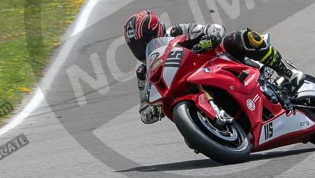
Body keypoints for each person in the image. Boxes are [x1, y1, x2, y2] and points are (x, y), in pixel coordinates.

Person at [123, 10, 305, 124]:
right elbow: (145, 109)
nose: (142, 48)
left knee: (240, 37)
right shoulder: (144, 73)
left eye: (146, 41)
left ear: (158, 30)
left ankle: (286, 71)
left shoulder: (176, 32)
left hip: (215, 62)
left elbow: (215, 29)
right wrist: (151, 109)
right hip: (186, 89)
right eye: (137, 46)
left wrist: (205, 41)